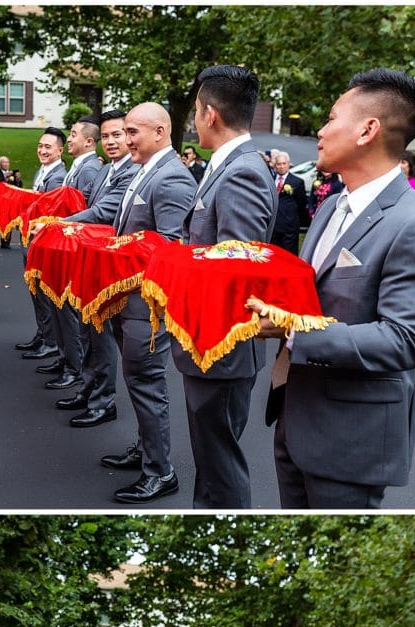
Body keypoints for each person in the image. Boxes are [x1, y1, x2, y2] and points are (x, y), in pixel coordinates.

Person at [258, 69, 415, 508]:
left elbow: (404, 340)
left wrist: (292, 329)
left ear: (368, 129)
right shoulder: (330, 207)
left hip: (351, 437)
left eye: (330, 118)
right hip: (294, 414)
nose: (321, 132)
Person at [174, 65, 278, 509]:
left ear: (210, 115)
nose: (193, 120)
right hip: (210, 346)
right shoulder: (228, 165)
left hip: (223, 347)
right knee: (210, 460)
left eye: (195, 111)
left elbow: (236, 267)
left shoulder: (242, 171)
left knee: (220, 463)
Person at [102, 102, 196, 504]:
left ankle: (161, 472)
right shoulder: (146, 171)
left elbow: (172, 249)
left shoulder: (172, 177)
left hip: (148, 309)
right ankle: (145, 450)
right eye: (124, 131)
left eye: (132, 132)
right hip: (128, 301)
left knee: (147, 384)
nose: (126, 139)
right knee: (137, 384)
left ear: (160, 132)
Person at [56, 109, 140, 428]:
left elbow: (102, 211)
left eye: (117, 134)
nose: (111, 141)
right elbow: (87, 204)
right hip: (92, 264)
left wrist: (57, 223)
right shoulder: (106, 170)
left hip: (112, 271)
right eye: (106, 136)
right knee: (88, 331)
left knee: (101, 336)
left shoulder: (131, 171)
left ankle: (103, 401)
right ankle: (89, 389)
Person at [36, 117, 103, 390]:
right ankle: (66, 360)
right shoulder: (78, 167)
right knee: (60, 310)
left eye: (73, 134)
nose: (70, 138)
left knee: (69, 313)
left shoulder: (88, 170)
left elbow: (83, 210)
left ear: (88, 141)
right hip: (62, 246)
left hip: (73, 248)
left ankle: (74, 368)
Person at [17, 128, 68, 360]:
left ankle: (51, 341)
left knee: (44, 295)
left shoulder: (58, 176)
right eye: (40, 146)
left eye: (48, 147)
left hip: (44, 244)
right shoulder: (43, 170)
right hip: (32, 241)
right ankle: (43, 334)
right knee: (36, 294)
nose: (43, 150)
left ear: (60, 150)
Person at [269, 150, 309, 255]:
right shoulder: (270, 180)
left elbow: (302, 204)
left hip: (289, 228)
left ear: (288, 164)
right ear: (275, 166)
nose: (281, 166)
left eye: (284, 163)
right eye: (278, 164)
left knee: (287, 256)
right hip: (273, 227)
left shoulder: (297, 182)